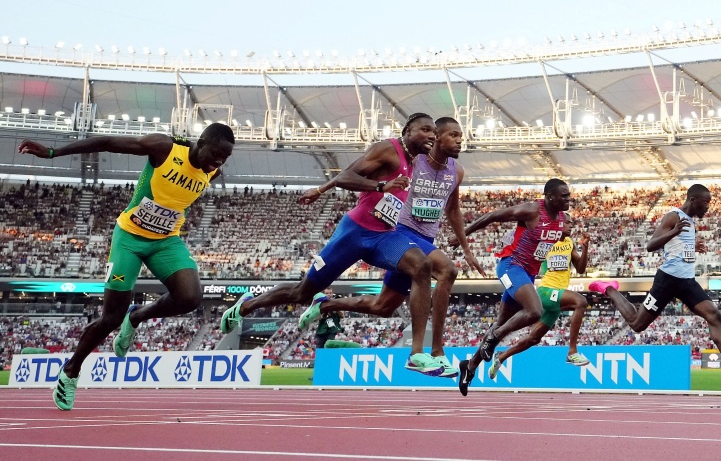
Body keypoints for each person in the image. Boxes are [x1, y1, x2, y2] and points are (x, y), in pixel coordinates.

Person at [18, 123, 235, 410]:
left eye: (224, 158)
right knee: (110, 317)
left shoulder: (212, 170)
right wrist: (54, 151)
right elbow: (108, 141)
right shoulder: (165, 148)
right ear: (201, 142)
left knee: (189, 298)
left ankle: (136, 318)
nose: (218, 163)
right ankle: (71, 370)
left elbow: (178, 197)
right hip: (130, 238)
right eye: (216, 154)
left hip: (166, 241)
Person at [221, 113, 444, 376]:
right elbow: (346, 176)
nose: (432, 135)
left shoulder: (413, 162)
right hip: (355, 233)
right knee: (301, 293)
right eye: (425, 130)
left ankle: (417, 354)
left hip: (383, 236)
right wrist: (381, 186)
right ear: (408, 130)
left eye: (434, 133)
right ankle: (248, 304)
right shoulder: (388, 149)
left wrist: (320, 190)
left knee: (421, 266)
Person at [296, 117, 485, 378]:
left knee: (383, 307)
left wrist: (467, 248)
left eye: (461, 136)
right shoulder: (414, 160)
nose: (460, 141)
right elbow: (354, 172)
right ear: (437, 138)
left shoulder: (457, 171)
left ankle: (326, 305)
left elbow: (453, 210)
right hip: (401, 232)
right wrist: (321, 189)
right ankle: (436, 353)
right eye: (453, 135)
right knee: (447, 270)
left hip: (425, 239)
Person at [588, 184, 721, 382]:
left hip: (686, 281)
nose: (708, 207)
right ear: (693, 200)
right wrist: (674, 232)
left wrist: (691, 247)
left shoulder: (690, 221)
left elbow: (677, 249)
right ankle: (609, 289)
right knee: (637, 325)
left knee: (714, 314)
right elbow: (650, 245)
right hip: (668, 280)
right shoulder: (673, 216)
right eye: (705, 202)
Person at [453, 178, 570, 396]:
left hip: (528, 274)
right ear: (550, 196)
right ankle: (494, 337)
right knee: (535, 311)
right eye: (564, 196)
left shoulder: (563, 220)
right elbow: (493, 216)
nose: (568, 199)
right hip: (511, 267)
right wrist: (464, 234)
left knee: (501, 322)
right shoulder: (532, 210)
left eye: (569, 195)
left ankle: (470, 366)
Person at [487, 213, 591, 381]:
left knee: (533, 338)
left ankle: (501, 357)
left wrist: (585, 248)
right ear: (558, 224)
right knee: (581, 302)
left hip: (556, 296)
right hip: (545, 292)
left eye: (572, 223)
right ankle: (572, 352)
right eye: (568, 223)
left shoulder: (569, 243)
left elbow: (580, 268)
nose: (571, 226)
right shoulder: (546, 242)